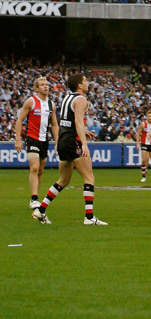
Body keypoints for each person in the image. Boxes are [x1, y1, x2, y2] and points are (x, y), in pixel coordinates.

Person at [32, 72, 107, 226]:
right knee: (89, 177)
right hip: (74, 142)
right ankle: (89, 217)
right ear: (79, 85)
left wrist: (84, 132)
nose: (87, 83)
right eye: (85, 80)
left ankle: (41, 209)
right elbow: (78, 122)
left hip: (63, 141)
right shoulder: (81, 99)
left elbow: (68, 121)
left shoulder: (67, 98)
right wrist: (84, 143)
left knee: (64, 180)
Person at [14, 75, 59, 209]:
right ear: (37, 88)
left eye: (47, 85)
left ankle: (36, 197)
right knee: (34, 167)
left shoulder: (52, 104)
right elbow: (20, 120)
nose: (46, 87)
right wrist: (18, 139)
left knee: (40, 170)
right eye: (43, 85)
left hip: (44, 140)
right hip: (32, 138)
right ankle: (34, 198)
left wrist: (57, 142)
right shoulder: (31, 102)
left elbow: (54, 125)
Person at [137, 108, 151, 183]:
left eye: (150, 116)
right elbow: (139, 133)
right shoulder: (143, 124)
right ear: (146, 117)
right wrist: (138, 144)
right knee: (144, 160)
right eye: (148, 116)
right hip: (144, 143)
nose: (149, 117)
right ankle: (143, 176)